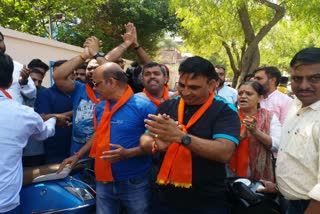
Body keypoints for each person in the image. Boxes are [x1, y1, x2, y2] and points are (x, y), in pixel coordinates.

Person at [141, 56, 241, 213]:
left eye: (194, 87)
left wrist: (181, 138)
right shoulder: (168, 106)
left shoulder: (224, 111)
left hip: (206, 200)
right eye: (181, 85)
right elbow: (145, 138)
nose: (185, 92)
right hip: (163, 197)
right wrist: (155, 145)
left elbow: (225, 152)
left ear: (212, 85)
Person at [58, 62, 156, 213]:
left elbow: (158, 142)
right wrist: (78, 155)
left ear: (111, 82)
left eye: (97, 84)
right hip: (103, 178)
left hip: (134, 180)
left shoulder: (144, 107)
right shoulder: (101, 107)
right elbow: (98, 134)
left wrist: (128, 153)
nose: (95, 88)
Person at [0, 52, 56, 214]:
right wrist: (52, 119)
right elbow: (44, 132)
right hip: (6, 203)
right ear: (11, 81)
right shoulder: (24, 114)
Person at [275, 47, 320, 213]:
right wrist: (280, 186)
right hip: (289, 201)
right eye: (297, 78)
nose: (304, 86)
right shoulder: (295, 105)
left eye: (315, 78)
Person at [229, 81, 281, 182]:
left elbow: (278, 144)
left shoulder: (269, 117)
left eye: (249, 94)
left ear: (260, 98)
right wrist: (241, 137)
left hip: (260, 176)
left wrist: (256, 132)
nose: (243, 96)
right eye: (240, 93)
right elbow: (222, 144)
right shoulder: (229, 115)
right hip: (230, 172)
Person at [34, 60, 73, 163]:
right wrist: (74, 112)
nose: (58, 77)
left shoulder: (79, 92)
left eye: (62, 73)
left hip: (77, 150)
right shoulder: (46, 94)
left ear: (72, 73)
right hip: (55, 152)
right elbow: (42, 118)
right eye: (55, 74)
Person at [0, 31, 36, 104]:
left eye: (0, 41)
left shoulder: (18, 67)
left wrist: (23, 82)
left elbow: (32, 96)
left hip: (14, 114)